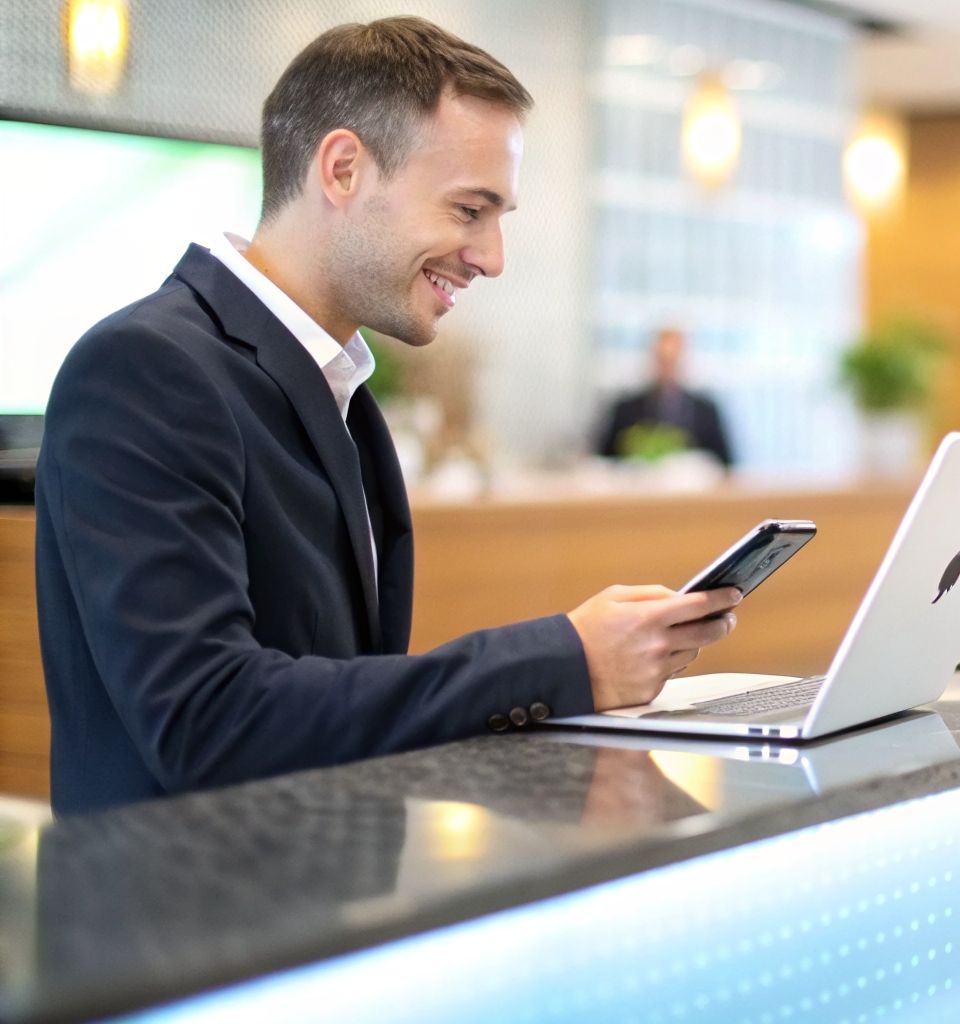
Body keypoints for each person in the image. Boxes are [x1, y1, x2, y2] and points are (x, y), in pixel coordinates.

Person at [34, 18, 741, 815]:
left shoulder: (342, 391)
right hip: (186, 926)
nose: (492, 256)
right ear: (342, 169)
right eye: (470, 209)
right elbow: (209, 719)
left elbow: (335, 708)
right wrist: (561, 659)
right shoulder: (145, 369)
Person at [595, 327, 734, 467]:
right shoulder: (624, 409)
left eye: (673, 360)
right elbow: (603, 463)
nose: (667, 368)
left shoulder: (705, 411)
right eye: (662, 360)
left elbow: (725, 465)